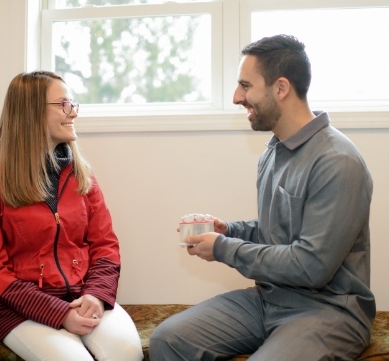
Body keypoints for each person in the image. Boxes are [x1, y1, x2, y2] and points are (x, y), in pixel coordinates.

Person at [149, 34, 375, 361]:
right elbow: (277, 234)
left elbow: (312, 266)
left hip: (329, 311)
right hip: (268, 299)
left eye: (245, 85)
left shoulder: (337, 162)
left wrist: (224, 248)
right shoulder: (273, 152)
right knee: (168, 340)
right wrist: (229, 230)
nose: (236, 97)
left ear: (280, 88)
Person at [0, 70, 143, 361]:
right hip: (20, 310)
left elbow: (106, 247)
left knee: (126, 352)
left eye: (73, 104)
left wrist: (96, 296)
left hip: (85, 297)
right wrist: (58, 313)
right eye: (63, 104)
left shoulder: (82, 174)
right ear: (31, 112)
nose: (72, 112)